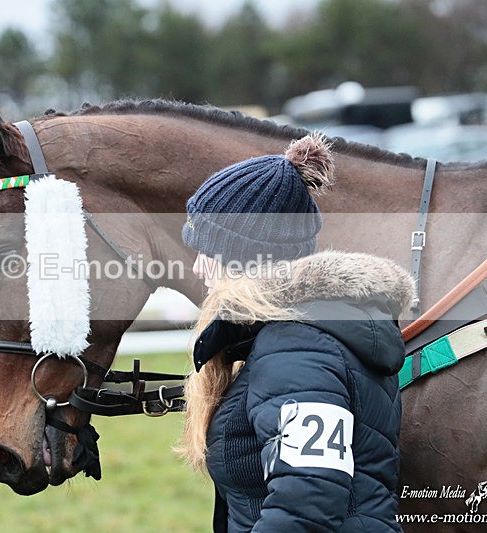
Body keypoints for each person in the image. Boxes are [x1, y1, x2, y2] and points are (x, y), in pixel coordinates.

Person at [176, 133, 414, 532]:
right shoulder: (298, 336)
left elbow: (306, 507)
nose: (198, 267)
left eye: (207, 251)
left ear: (243, 258)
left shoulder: (298, 348)